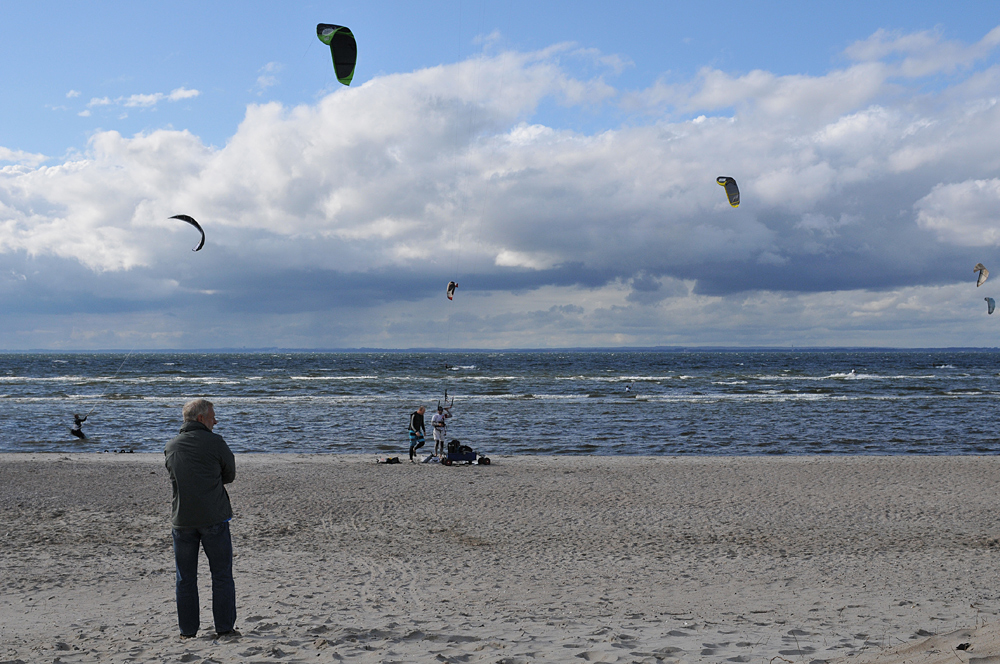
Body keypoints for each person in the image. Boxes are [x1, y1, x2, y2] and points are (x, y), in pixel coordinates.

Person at [164, 398, 237, 638]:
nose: (216, 420)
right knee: (222, 575)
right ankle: (224, 628)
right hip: (213, 517)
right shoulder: (215, 442)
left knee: (185, 578)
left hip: (182, 519)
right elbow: (230, 474)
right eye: (212, 416)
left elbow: (176, 476)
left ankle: (187, 631)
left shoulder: (172, 445)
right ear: (201, 419)